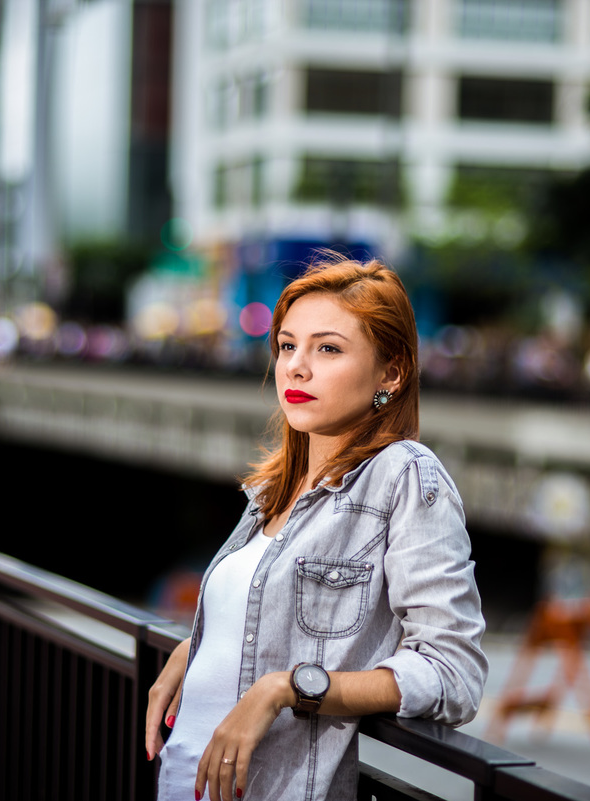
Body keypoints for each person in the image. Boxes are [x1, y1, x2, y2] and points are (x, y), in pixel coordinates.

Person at [145, 255, 488, 801]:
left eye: (327, 348)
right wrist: (203, 645)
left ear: (391, 372)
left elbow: (453, 671)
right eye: (286, 345)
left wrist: (287, 689)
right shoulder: (274, 489)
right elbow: (268, 615)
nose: (296, 367)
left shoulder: (402, 475)